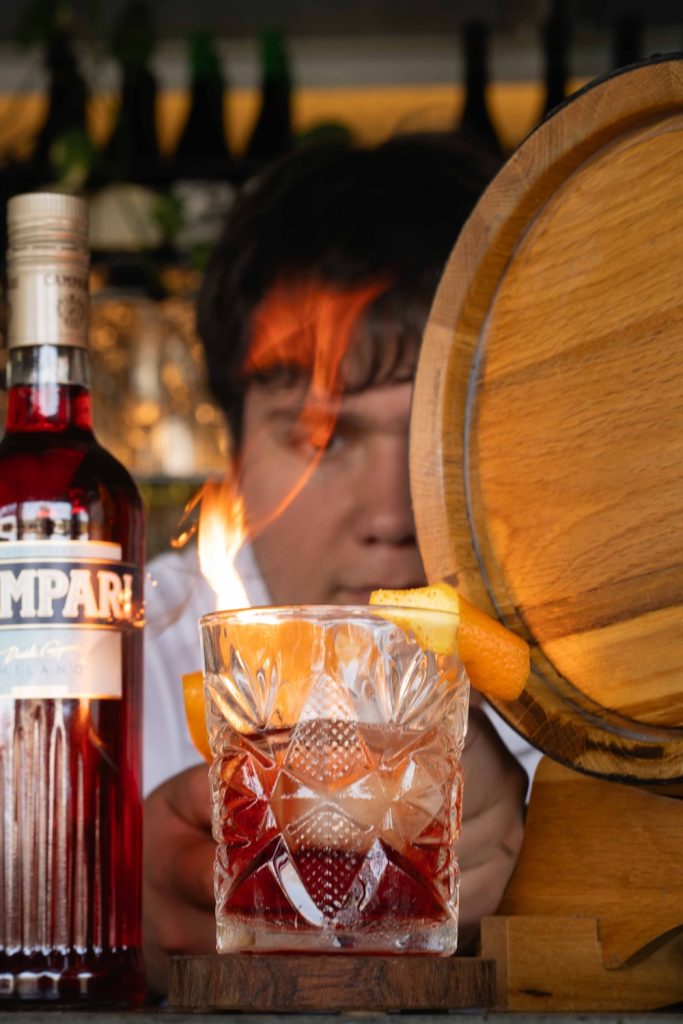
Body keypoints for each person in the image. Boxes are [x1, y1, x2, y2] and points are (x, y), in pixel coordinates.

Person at [142, 134, 535, 997]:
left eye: (441, 442)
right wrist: (90, 898)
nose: (390, 518)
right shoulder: (102, 661)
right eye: (322, 438)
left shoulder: (611, 687)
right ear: (232, 451)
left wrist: (549, 873)